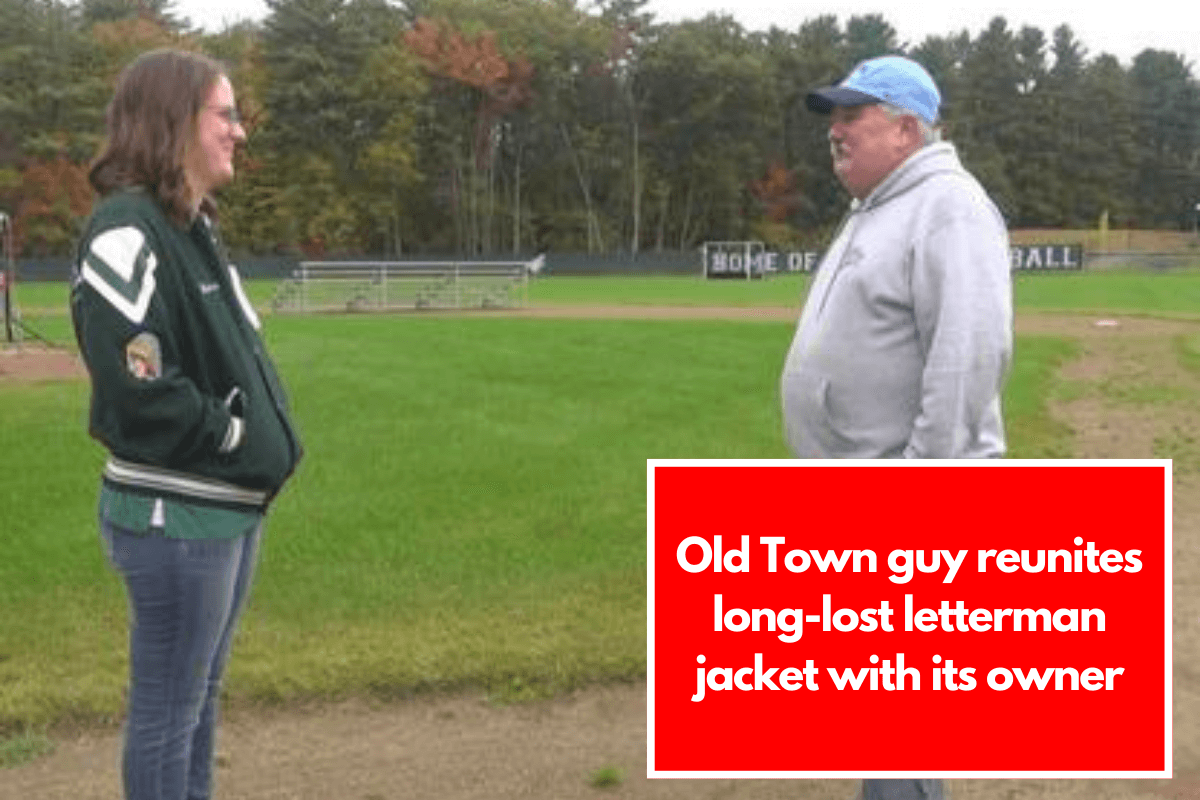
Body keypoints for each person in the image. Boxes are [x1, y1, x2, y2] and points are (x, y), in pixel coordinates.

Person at [70, 49, 302, 800]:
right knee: (170, 712)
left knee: (197, 702)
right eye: (225, 114)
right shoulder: (125, 231)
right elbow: (141, 390)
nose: (239, 131)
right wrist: (234, 437)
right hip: (177, 516)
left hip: (226, 510)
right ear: (175, 121)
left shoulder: (193, 225)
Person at [778, 56, 1012, 800]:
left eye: (854, 115)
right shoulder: (879, 205)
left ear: (906, 129)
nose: (835, 131)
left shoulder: (949, 206)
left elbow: (968, 359)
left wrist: (918, 490)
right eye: (832, 118)